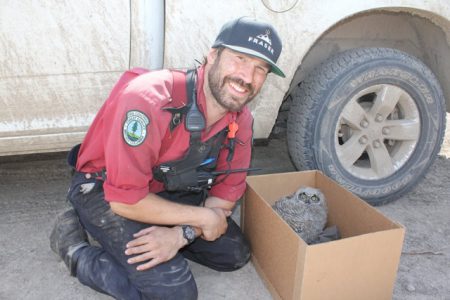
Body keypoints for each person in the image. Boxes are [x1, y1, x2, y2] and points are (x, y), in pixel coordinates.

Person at [50, 16, 284, 299]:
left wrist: (180, 235)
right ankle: (73, 247)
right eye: (240, 59)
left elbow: (223, 199)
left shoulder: (240, 119)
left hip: (163, 188)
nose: (248, 77)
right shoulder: (150, 100)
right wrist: (200, 218)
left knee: (233, 254)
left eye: (260, 69)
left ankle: (150, 235)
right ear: (212, 56)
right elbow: (126, 199)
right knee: (175, 293)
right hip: (106, 188)